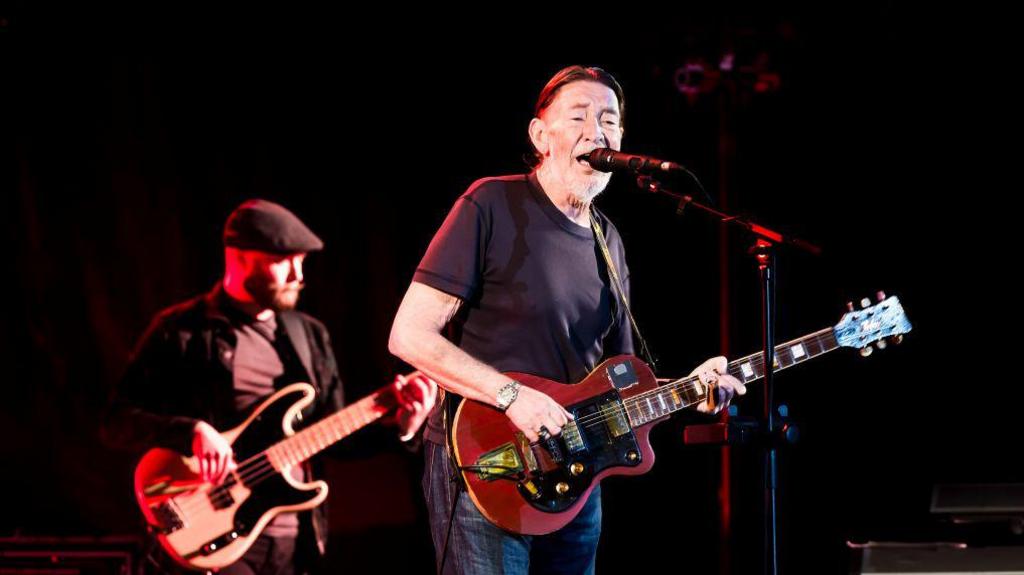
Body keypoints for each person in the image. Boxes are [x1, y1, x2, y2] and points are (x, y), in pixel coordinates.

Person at [388, 65, 746, 574]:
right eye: (577, 116)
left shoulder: (610, 241)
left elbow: (621, 385)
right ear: (540, 135)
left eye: (609, 120)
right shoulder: (491, 203)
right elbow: (409, 334)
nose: (596, 132)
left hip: (575, 470)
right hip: (488, 461)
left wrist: (693, 389)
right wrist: (512, 397)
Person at [103, 199, 436, 575]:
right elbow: (117, 421)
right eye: (283, 261)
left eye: (302, 261)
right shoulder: (179, 332)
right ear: (239, 257)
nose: (298, 274)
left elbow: (335, 436)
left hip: (296, 537)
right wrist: (191, 432)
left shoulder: (308, 335)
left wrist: (404, 427)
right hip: (215, 534)